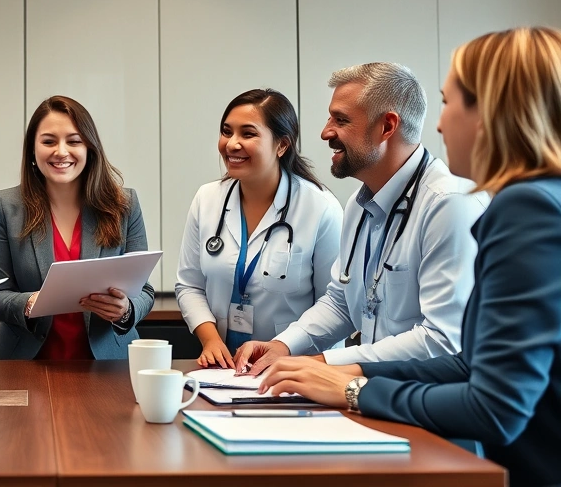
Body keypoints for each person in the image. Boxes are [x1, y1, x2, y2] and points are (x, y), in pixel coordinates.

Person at [259, 27, 561, 487]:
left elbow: (493, 402)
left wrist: (353, 386)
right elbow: (468, 363)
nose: (439, 124)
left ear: (494, 111)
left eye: (448, 101)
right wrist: (339, 367)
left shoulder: (521, 208)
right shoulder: (537, 198)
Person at [234, 62, 488, 374]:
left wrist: (323, 364)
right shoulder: (359, 204)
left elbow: (442, 340)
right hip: (374, 391)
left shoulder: (447, 204)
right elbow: (341, 301)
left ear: (386, 127)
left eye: (340, 120)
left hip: (424, 401)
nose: (326, 131)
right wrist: (284, 345)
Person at [175, 89, 343, 368]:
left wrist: (284, 347)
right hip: (225, 368)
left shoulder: (320, 208)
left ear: (282, 145)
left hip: (297, 366)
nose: (231, 144)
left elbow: (335, 303)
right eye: (227, 132)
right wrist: (211, 340)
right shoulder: (207, 199)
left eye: (248, 134)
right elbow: (189, 285)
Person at [0, 95, 155, 360]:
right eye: (49, 141)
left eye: (74, 141)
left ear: (89, 147)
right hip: (24, 362)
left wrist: (126, 310)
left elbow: (144, 291)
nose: (61, 152)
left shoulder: (124, 204)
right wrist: (28, 303)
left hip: (108, 363)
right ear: (32, 148)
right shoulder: (6, 206)